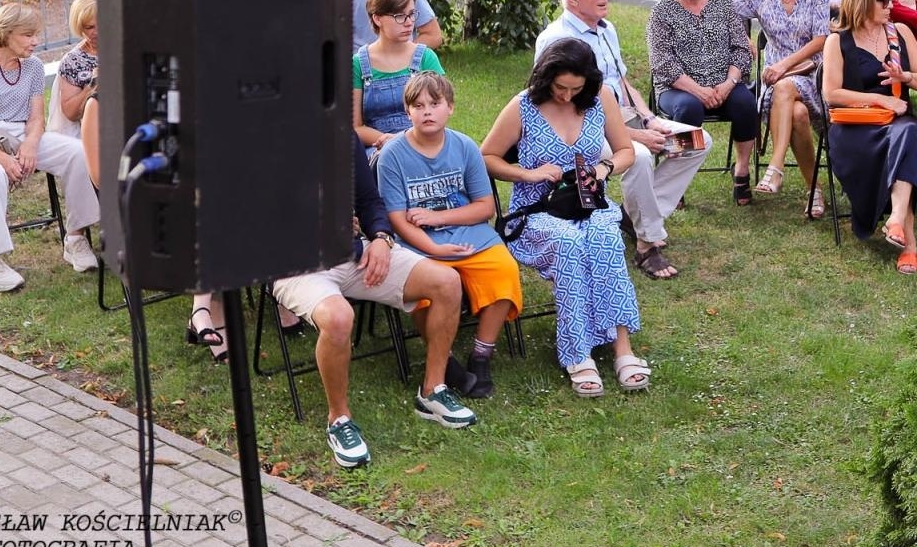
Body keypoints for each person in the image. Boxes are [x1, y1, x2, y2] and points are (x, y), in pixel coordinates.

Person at [273, 136, 476, 467]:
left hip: (353, 253)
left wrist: (380, 238)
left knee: (447, 282)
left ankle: (432, 390)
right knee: (338, 318)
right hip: (296, 266)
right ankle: (339, 420)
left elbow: (368, 200)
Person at [480, 39, 649, 397]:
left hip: (588, 203)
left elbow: (625, 151)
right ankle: (578, 353)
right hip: (536, 210)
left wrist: (604, 168)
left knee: (606, 237)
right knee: (569, 243)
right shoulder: (523, 106)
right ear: (546, 78)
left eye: (576, 88)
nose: (568, 96)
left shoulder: (600, 97)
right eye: (561, 88)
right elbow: (486, 157)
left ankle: (622, 348)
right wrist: (528, 174)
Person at [535, 0, 709, 281]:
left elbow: (624, 82)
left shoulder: (606, 29)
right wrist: (635, 137)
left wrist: (650, 119)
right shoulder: (556, 40)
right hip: (583, 130)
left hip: (627, 118)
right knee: (639, 157)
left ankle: (634, 214)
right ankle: (647, 244)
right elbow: (567, 107)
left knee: (697, 140)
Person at [377, 73, 521, 398]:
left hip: (470, 235)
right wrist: (432, 246)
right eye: (418, 105)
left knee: (504, 270)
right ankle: (447, 362)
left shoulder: (465, 147)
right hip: (418, 243)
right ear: (407, 112)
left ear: (450, 108)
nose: (427, 111)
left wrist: (437, 216)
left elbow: (485, 207)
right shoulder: (393, 156)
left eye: (435, 104)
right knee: (428, 291)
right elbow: (397, 219)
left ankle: (482, 353)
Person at [0, 3, 101, 292]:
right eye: (28, 35)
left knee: (79, 153)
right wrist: (4, 161)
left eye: (36, 35)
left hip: (20, 131)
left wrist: (31, 145)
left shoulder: (32, 66)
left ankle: (75, 238)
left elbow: (35, 119)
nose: (35, 41)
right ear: (5, 34)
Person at [822, 0, 917, 274]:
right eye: (882, 0)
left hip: (896, 123)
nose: (889, 6)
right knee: (906, 139)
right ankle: (905, 240)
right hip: (855, 127)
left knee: (910, 132)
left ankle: (899, 226)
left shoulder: (900, 33)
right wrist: (882, 100)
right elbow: (831, 93)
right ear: (861, 1)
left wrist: (905, 77)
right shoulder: (838, 41)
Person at [646, 0, 759, 205]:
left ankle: (741, 171)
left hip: (724, 82)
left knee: (745, 103)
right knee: (689, 109)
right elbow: (662, 63)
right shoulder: (661, 13)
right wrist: (697, 90)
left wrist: (729, 83)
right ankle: (674, 180)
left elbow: (741, 49)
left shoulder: (723, 2)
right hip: (677, 88)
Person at [731, 0, 831, 216]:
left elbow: (821, 39)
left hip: (811, 73)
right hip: (774, 80)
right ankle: (815, 191)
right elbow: (725, 9)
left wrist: (784, 66)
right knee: (797, 113)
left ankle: (775, 168)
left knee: (786, 87)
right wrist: (743, 36)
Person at [354, 0, 445, 159]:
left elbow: (441, 110)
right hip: (378, 148)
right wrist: (391, 141)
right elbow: (356, 127)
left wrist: (408, 140)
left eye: (412, 14)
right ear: (377, 18)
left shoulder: (426, 58)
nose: (409, 23)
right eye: (399, 16)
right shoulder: (358, 64)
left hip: (425, 141)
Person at [47, 0, 98, 138]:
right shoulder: (73, 62)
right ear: (80, 27)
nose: (97, 32)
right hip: (91, 135)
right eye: (90, 27)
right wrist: (93, 85)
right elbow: (71, 113)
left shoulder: (125, 46)